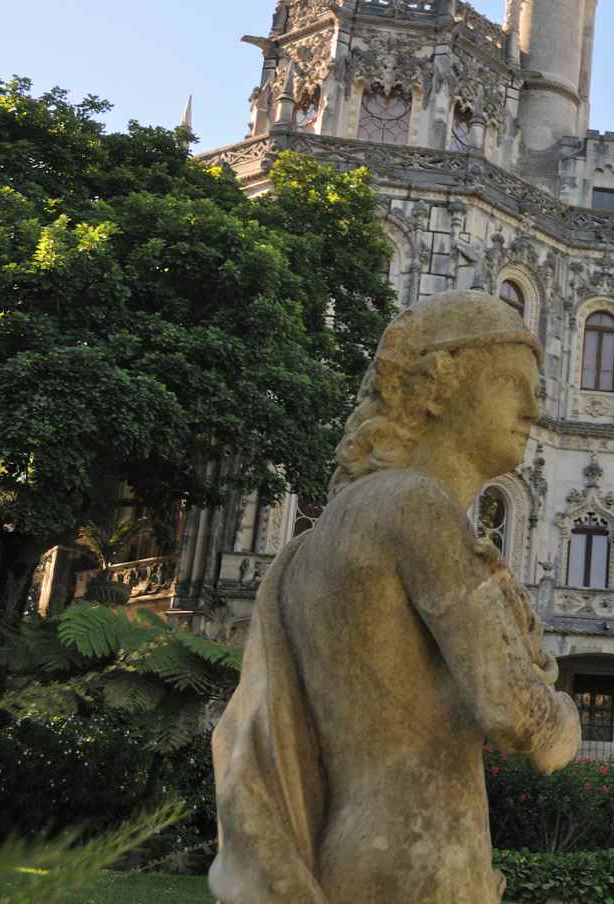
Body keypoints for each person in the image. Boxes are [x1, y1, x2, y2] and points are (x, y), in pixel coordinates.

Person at [211, 290, 581, 903]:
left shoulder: (314, 543)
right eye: (512, 382)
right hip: (424, 860)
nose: (533, 407)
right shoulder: (420, 509)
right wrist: (562, 715)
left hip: (345, 853)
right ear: (439, 385)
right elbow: (519, 719)